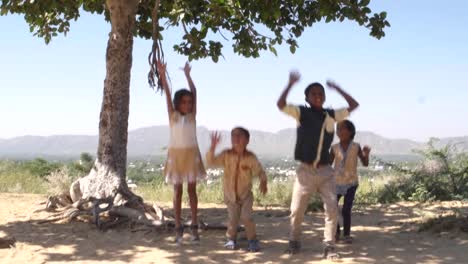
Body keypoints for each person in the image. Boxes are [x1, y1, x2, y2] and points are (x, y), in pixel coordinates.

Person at [276, 70, 359, 259]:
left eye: (321, 93)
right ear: (306, 97)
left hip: (325, 172)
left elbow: (354, 105)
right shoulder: (301, 112)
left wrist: (338, 88)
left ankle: (329, 246)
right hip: (305, 172)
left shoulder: (331, 116)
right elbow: (280, 105)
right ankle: (294, 240)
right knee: (296, 210)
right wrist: (289, 84)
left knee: (331, 209)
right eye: (313, 93)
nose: (318, 96)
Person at [157, 61, 206, 245]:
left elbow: (195, 92)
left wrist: (188, 75)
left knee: (192, 191)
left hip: (191, 155)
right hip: (176, 156)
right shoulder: (173, 115)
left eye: (190, 102)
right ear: (178, 103)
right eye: (184, 102)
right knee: (177, 191)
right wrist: (162, 74)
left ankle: (194, 227)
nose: (188, 104)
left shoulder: (192, 116)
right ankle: (178, 228)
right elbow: (167, 95)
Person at [206, 127, 268, 252]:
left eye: (239, 135)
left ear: (247, 140)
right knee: (233, 218)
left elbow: (259, 171)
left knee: (247, 217)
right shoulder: (226, 154)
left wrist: (263, 182)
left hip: (245, 195)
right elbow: (210, 161)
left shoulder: (250, 157)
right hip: (230, 195)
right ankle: (231, 239)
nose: (236, 138)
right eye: (233, 135)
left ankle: (252, 240)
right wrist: (213, 147)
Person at [330, 120, 370, 244]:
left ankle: (346, 235)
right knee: (333, 208)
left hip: (351, 183)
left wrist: (366, 154)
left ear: (350, 131)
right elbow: (327, 164)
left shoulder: (356, 147)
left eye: (343, 129)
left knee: (346, 209)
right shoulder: (334, 148)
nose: (340, 131)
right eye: (338, 129)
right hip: (336, 183)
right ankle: (336, 233)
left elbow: (365, 163)